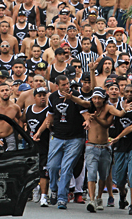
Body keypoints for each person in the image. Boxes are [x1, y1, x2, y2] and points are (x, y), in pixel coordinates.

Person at [35, 75, 91, 209]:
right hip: (57, 136)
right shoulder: (53, 97)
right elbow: (49, 116)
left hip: (75, 138)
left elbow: (85, 112)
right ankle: (53, 189)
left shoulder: (76, 95)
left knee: (66, 168)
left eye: (68, 84)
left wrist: (87, 120)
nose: (67, 87)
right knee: (52, 166)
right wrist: (40, 131)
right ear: (57, 86)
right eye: (64, 85)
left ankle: (62, 198)